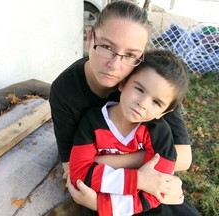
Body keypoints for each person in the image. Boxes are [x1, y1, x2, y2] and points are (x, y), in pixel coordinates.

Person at [49, 0, 194, 214]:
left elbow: (183, 157)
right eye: (107, 47)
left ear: (141, 57)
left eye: (130, 55)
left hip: (146, 187)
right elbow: (72, 169)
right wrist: (141, 174)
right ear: (90, 38)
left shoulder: (149, 81)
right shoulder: (65, 90)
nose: (115, 65)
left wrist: (100, 162)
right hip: (109, 189)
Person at [69, 50, 200, 215]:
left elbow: (160, 187)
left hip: (143, 204)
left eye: (156, 102)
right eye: (139, 89)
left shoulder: (160, 133)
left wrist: (111, 205)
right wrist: (139, 179)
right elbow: (79, 173)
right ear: (123, 83)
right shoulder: (92, 122)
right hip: (100, 201)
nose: (143, 103)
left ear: (164, 112)